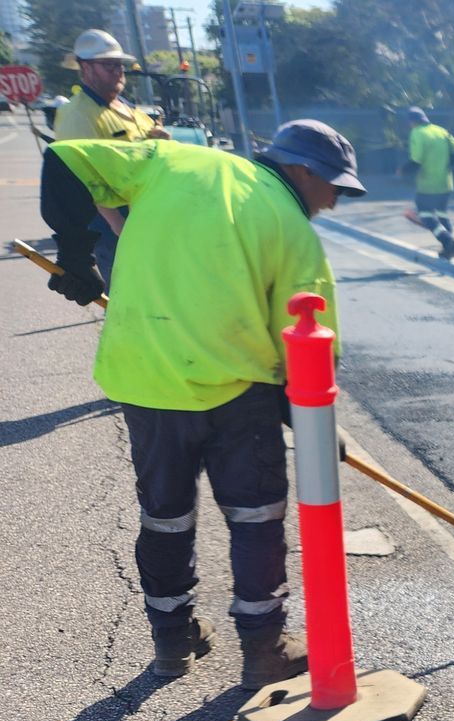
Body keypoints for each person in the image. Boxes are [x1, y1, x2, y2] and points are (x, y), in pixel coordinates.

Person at [40, 120, 366, 687]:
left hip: (148, 378)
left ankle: (172, 640)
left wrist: (74, 255)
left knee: (164, 517)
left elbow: (65, 160)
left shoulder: (173, 161)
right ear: (303, 171)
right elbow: (309, 342)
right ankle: (264, 649)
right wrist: (312, 422)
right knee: (255, 519)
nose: (334, 202)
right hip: (238, 392)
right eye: (335, 187)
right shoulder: (292, 228)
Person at [53, 29, 170, 288]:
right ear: (85, 68)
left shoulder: (124, 107)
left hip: (146, 210)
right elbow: (84, 176)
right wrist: (118, 225)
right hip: (115, 222)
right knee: (131, 292)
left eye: (120, 65)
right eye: (109, 65)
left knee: (160, 287)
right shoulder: (78, 116)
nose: (118, 71)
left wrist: (157, 139)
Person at [400, 106, 454, 259]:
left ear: (412, 122)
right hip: (446, 182)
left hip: (427, 184)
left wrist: (403, 171)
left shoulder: (417, 133)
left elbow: (416, 160)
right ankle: (448, 249)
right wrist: (446, 166)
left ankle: (448, 241)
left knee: (426, 215)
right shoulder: (440, 130)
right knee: (442, 214)